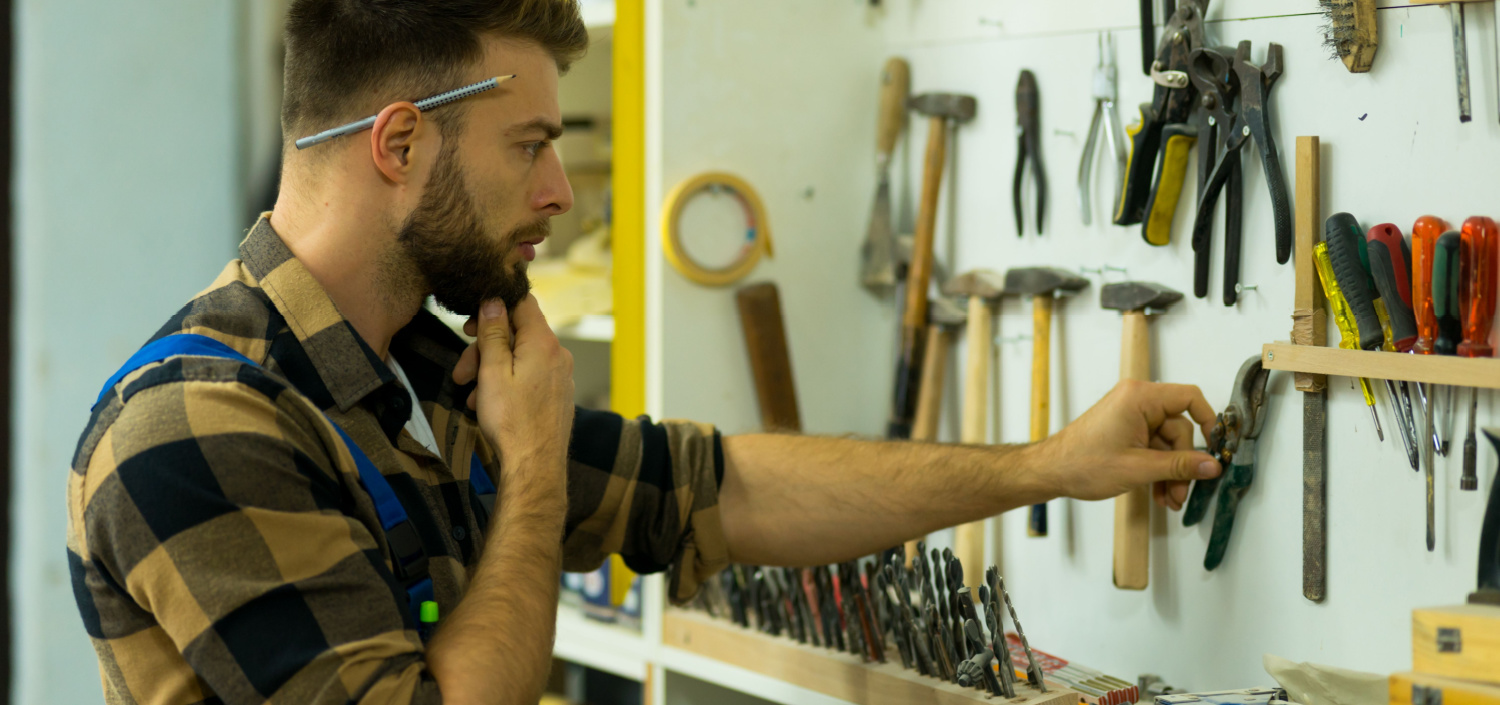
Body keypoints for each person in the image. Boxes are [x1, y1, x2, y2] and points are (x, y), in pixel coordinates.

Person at [66, 2, 1222, 704]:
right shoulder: (201, 426)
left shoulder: (418, 372)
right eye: (531, 147)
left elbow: (716, 488)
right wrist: (528, 480)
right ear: (402, 143)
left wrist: (1048, 466)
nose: (561, 193)